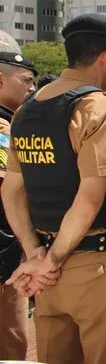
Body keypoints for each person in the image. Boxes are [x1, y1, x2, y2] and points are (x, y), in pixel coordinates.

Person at [1, 13, 106, 364]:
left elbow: (12, 190)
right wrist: (50, 260)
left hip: (46, 274)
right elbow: (89, 197)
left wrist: (36, 254)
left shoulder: (26, 111)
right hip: (94, 268)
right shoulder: (101, 105)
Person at [0, 51, 36, 360]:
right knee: (11, 343)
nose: (31, 88)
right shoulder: (3, 128)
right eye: (25, 80)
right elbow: (9, 189)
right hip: (4, 253)